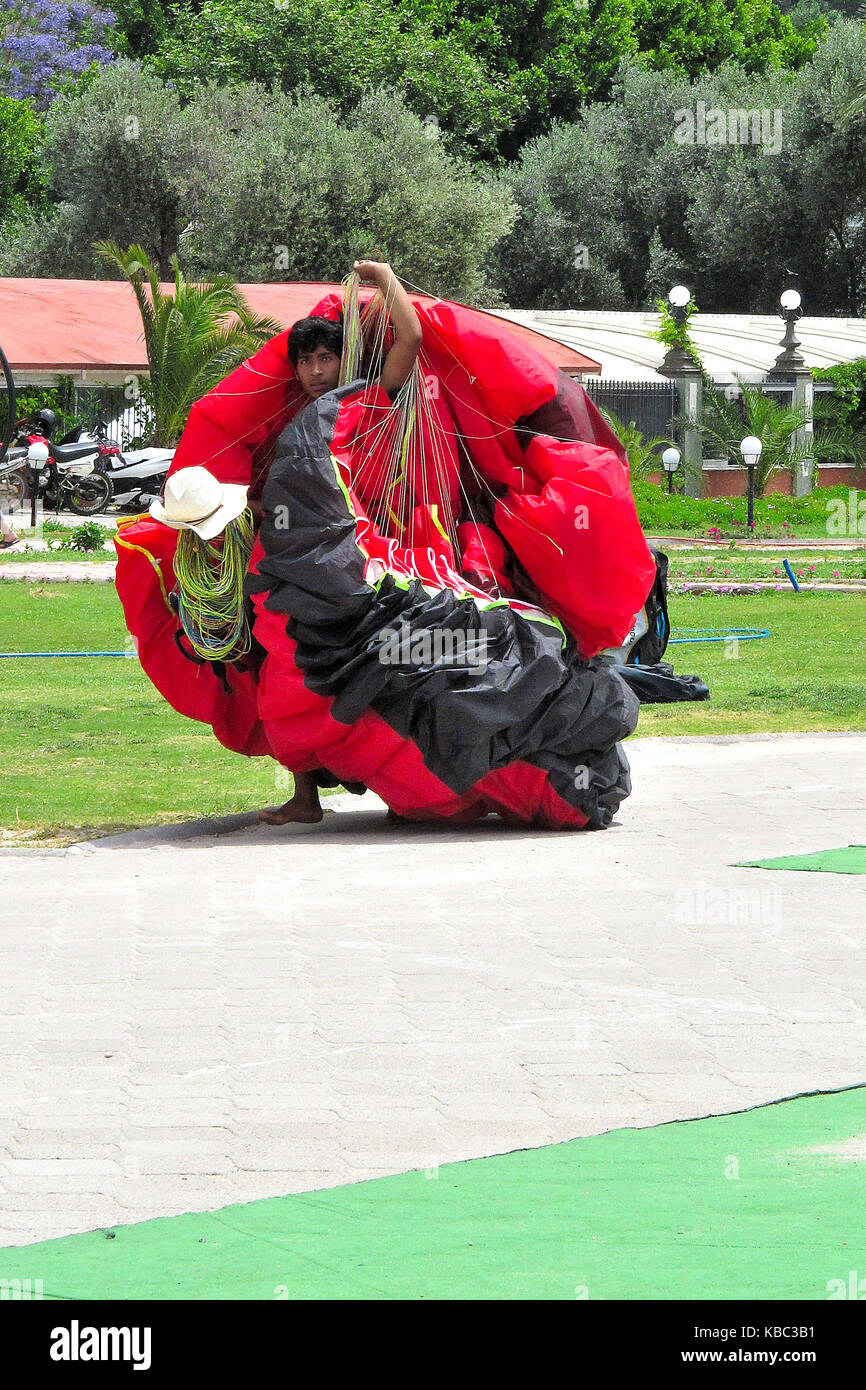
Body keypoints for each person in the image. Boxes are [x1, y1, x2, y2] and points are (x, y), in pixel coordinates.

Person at [287, 259, 422, 402]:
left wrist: (382, 272)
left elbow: (411, 337)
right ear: (296, 372)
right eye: (305, 361)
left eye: (326, 358)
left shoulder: (366, 400)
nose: (316, 371)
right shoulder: (298, 417)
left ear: (344, 360)